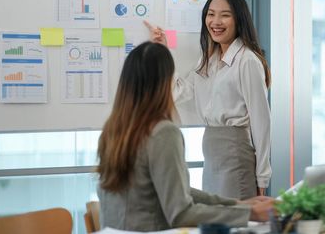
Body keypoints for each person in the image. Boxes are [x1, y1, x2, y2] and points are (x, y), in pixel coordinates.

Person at [97, 42, 274, 231]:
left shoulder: (112, 131)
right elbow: (180, 213)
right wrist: (251, 214)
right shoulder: (162, 133)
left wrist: (239, 205)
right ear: (164, 83)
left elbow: (176, 191)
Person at [145, 0, 271, 199]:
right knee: (217, 220)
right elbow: (176, 92)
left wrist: (262, 178)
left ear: (239, 20)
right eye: (211, 14)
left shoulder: (247, 61)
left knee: (236, 224)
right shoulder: (209, 60)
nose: (216, 21)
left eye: (225, 15)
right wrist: (163, 51)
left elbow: (262, 122)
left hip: (235, 152)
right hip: (212, 152)